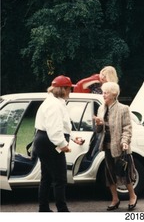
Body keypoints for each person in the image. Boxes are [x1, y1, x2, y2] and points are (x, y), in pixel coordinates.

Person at [33, 75, 85, 212]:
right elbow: (54, 130)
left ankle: (43, 209)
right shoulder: (54, 105)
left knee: (47, 178)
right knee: (60, 179)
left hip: (45, 141)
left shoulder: (53, 102)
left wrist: (73, 138)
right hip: (50, 143)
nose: (71, 92)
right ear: (63, 89)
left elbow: (61, 126)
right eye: (69, 89)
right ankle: (62, 210)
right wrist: (63, 145)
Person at [94, 82, 138, 211]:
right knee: (110, 174)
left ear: (114, 94)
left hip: (120, 147)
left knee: (124, 173)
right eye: (103, 92)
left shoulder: (123, 109)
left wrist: (125, 141)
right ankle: (115, 199)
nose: (103, 95)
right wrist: (98, 124)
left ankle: (132, 196)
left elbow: (127, 128)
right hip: (107, 147)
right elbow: (98, 130)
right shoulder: (101, 108)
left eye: (106, 92)